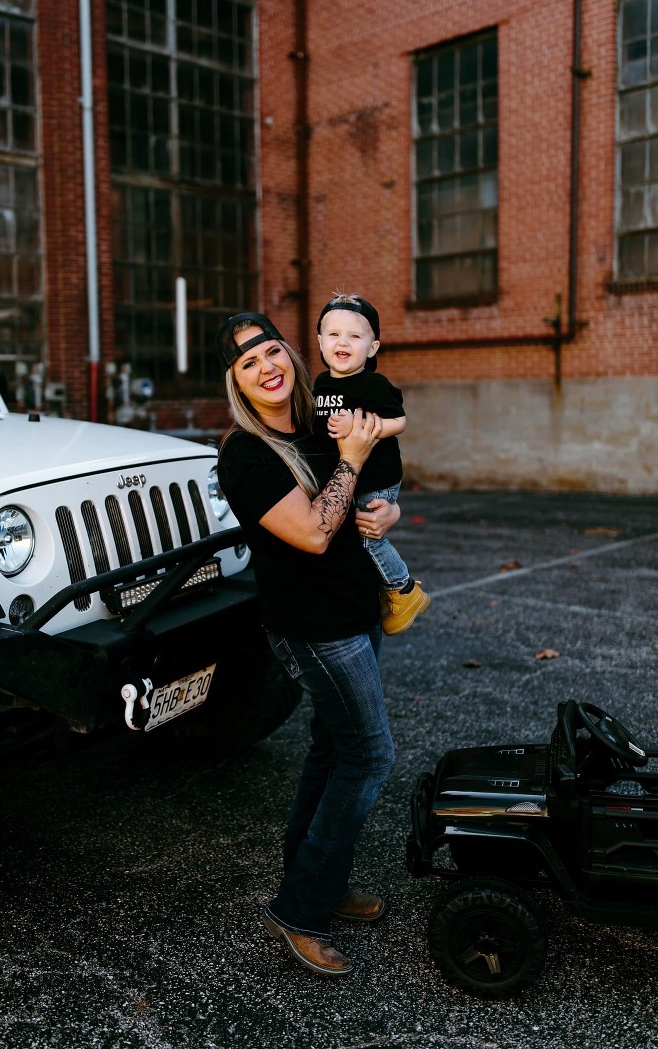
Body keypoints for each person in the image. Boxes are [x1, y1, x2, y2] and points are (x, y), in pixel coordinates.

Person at [214, 311, 400, 978]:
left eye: (271, 350)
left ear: (289, 353)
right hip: (318, 628)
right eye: (247, 363)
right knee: (371, 755)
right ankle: (300, 907)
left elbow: (358, 505)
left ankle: (319, 877)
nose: (267, 365)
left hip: (355, 608)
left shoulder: (315, 424)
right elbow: (316, 530)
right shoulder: (245, 453)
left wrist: (387, 511)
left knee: (333, 749)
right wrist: (349, 462)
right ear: (236, 382)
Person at [314, 292, 430, 635]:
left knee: (368, 536)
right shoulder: (320, 383)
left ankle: (404, 589)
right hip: (349, 477)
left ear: (373, 347)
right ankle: (383, 587)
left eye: (354, 335)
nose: (343, 342)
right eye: (333, 334)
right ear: (320, 343)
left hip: (376, 477)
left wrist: (361, 426)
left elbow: (400, 422)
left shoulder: (373, 385)